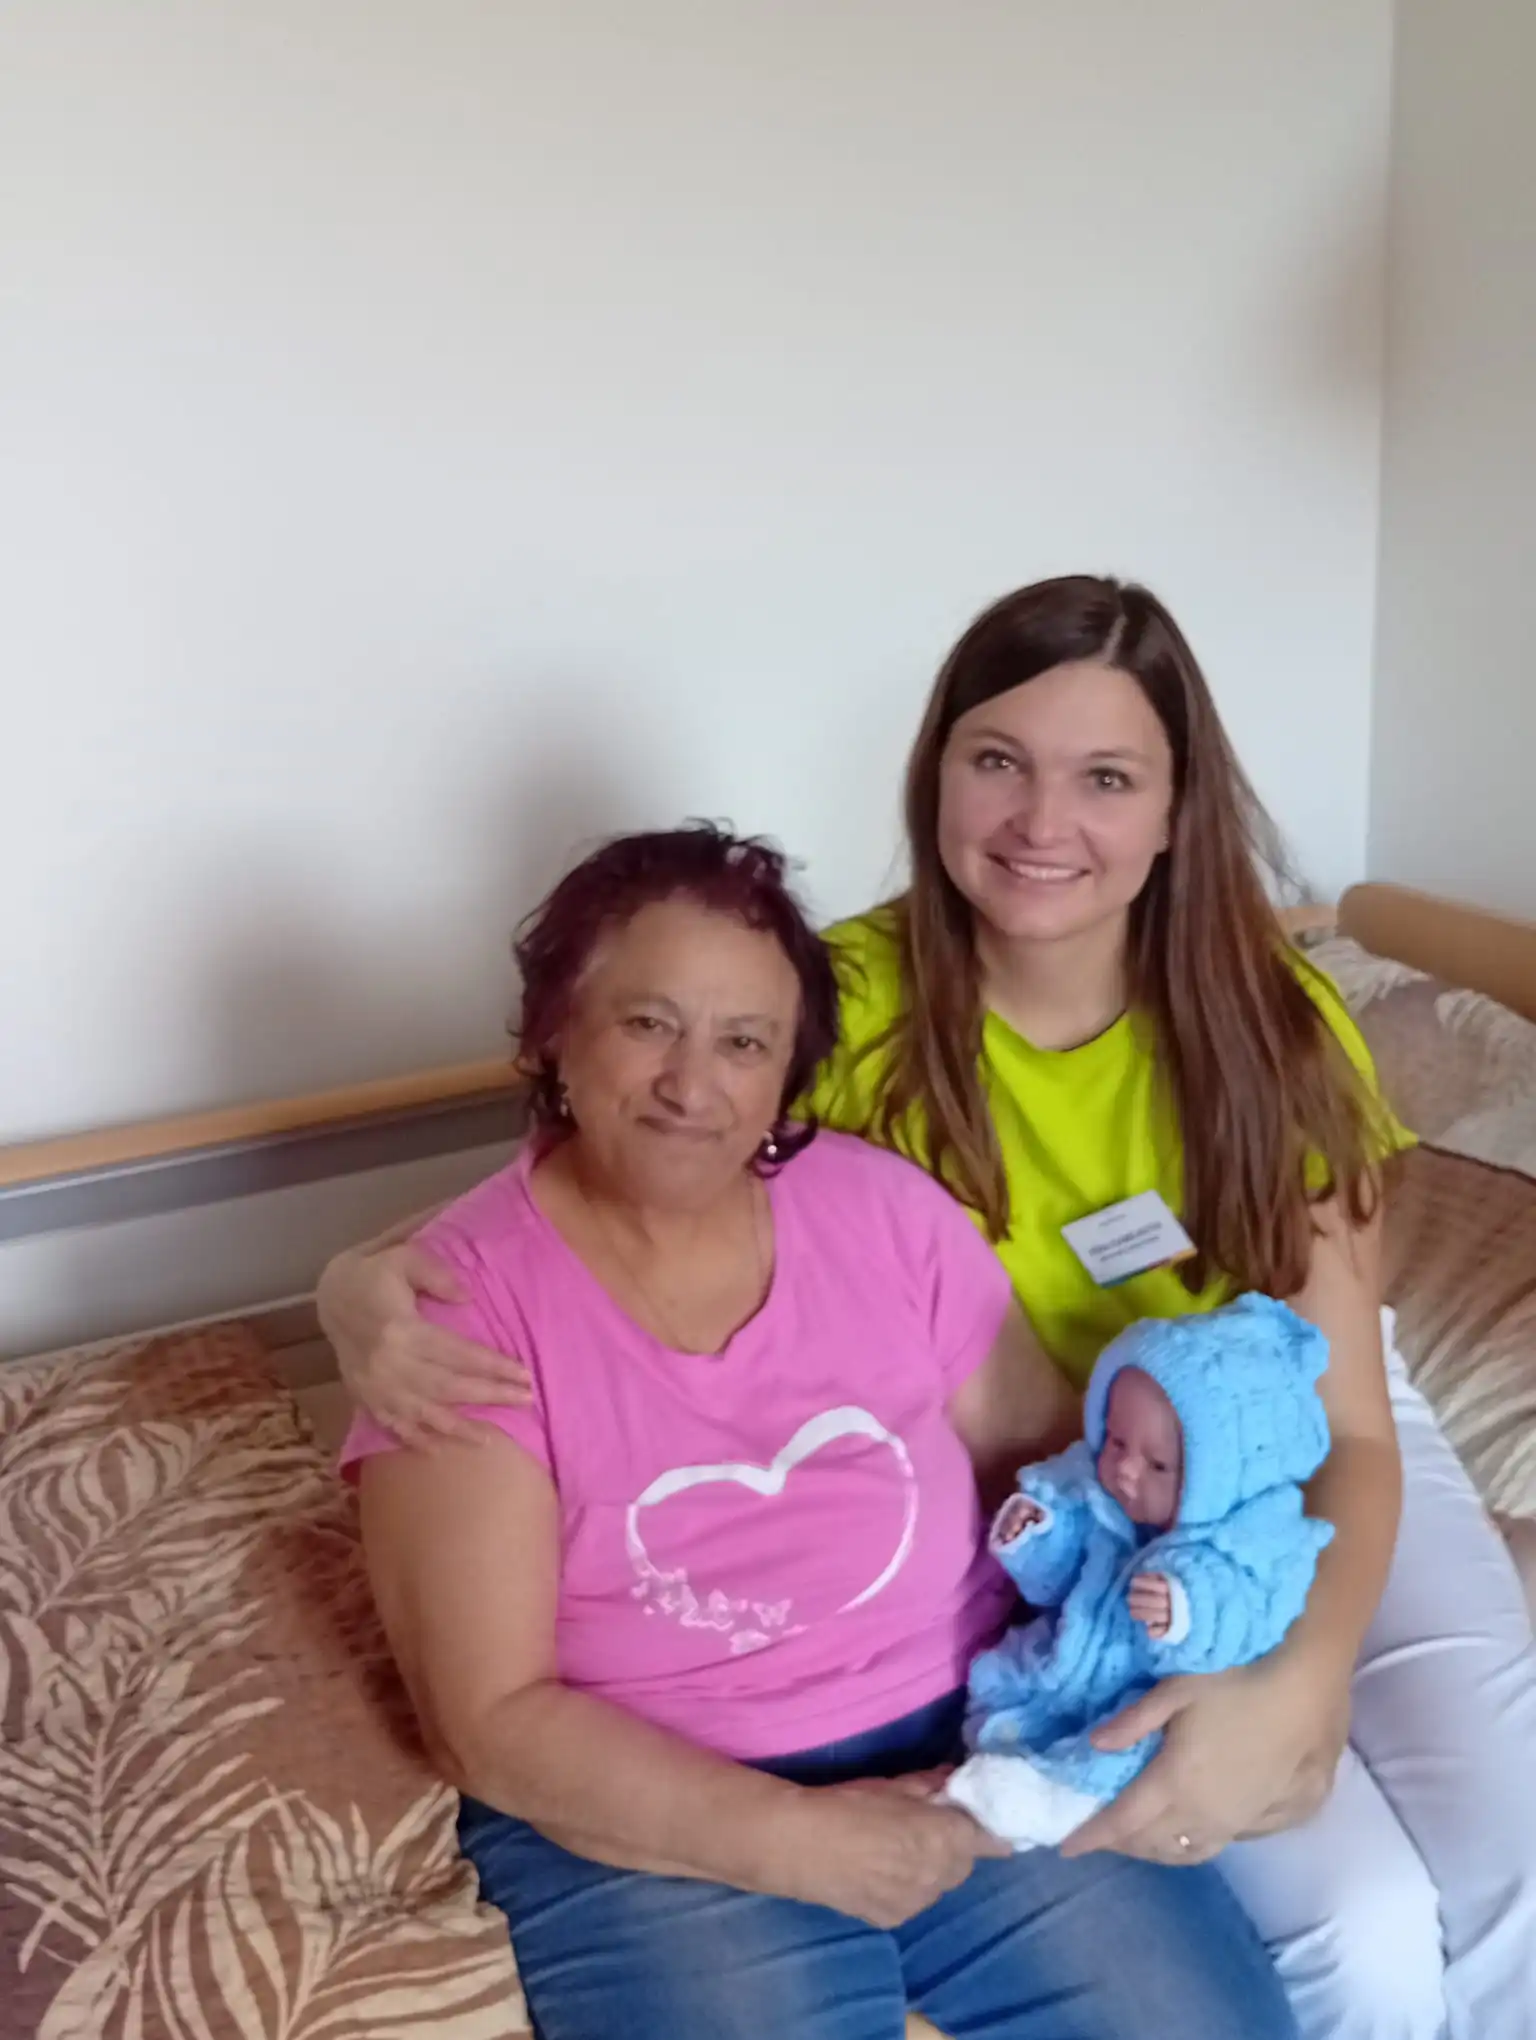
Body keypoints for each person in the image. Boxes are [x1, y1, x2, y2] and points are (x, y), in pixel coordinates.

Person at [321, 575, 1536, 2040]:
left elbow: (1352, 1420)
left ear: (1176, 810)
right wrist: (352, 1281)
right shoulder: (840, 1008)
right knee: (1360, 1920)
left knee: (1517, 1844)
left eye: (1106, 778)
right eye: (999, 761)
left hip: (1293, 1438)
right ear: (936, 773)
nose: (1043, 821)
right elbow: (616, 1171)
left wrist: (1302, 1671)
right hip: (1084, 1485)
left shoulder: (1272, 1021)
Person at [336, 823, 1297, 2040]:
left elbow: (1061, 1472)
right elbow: (490, 1719)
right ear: (554, 1032)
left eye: (744, 1042)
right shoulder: (456, 1307)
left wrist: (1205, 1650)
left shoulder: (882, 1211)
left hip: (973, 1733)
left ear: (787, 1071)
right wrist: (793, 1839)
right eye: (649, 1024)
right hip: (646, 1810)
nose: (693, 1084)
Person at [943, 1293, 1335, 1850]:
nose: (1125, 1468)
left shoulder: (1254, 1543)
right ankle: (1001, 1756)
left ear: (1220, 1478)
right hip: (1069, 1655)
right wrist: (1035, 1533)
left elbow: (1253, 1613)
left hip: (1146, 1688)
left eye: (1158, 1464)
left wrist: (1189, 1610)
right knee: (1010, 1678)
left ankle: (1060, 1800)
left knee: (1138, 1743)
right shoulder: (1095, 1486)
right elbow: (1053, 1583)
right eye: (1116, 1440)